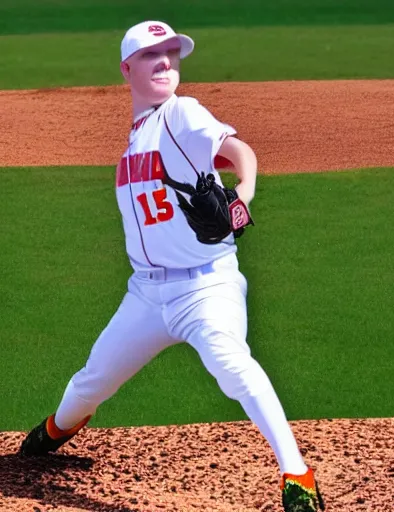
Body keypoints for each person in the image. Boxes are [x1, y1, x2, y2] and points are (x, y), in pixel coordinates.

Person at [19, 20, 325, 512]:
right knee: (90, 382)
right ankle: (57, 429)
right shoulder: (137, 137)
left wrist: (242, 197)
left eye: (171, 54)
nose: (165, 62)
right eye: (151, 55)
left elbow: (238, 150)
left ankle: (298, 476)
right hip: (145, 295)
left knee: (232, 367)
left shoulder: (181, 113)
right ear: (126, 69)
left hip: (206, 289)